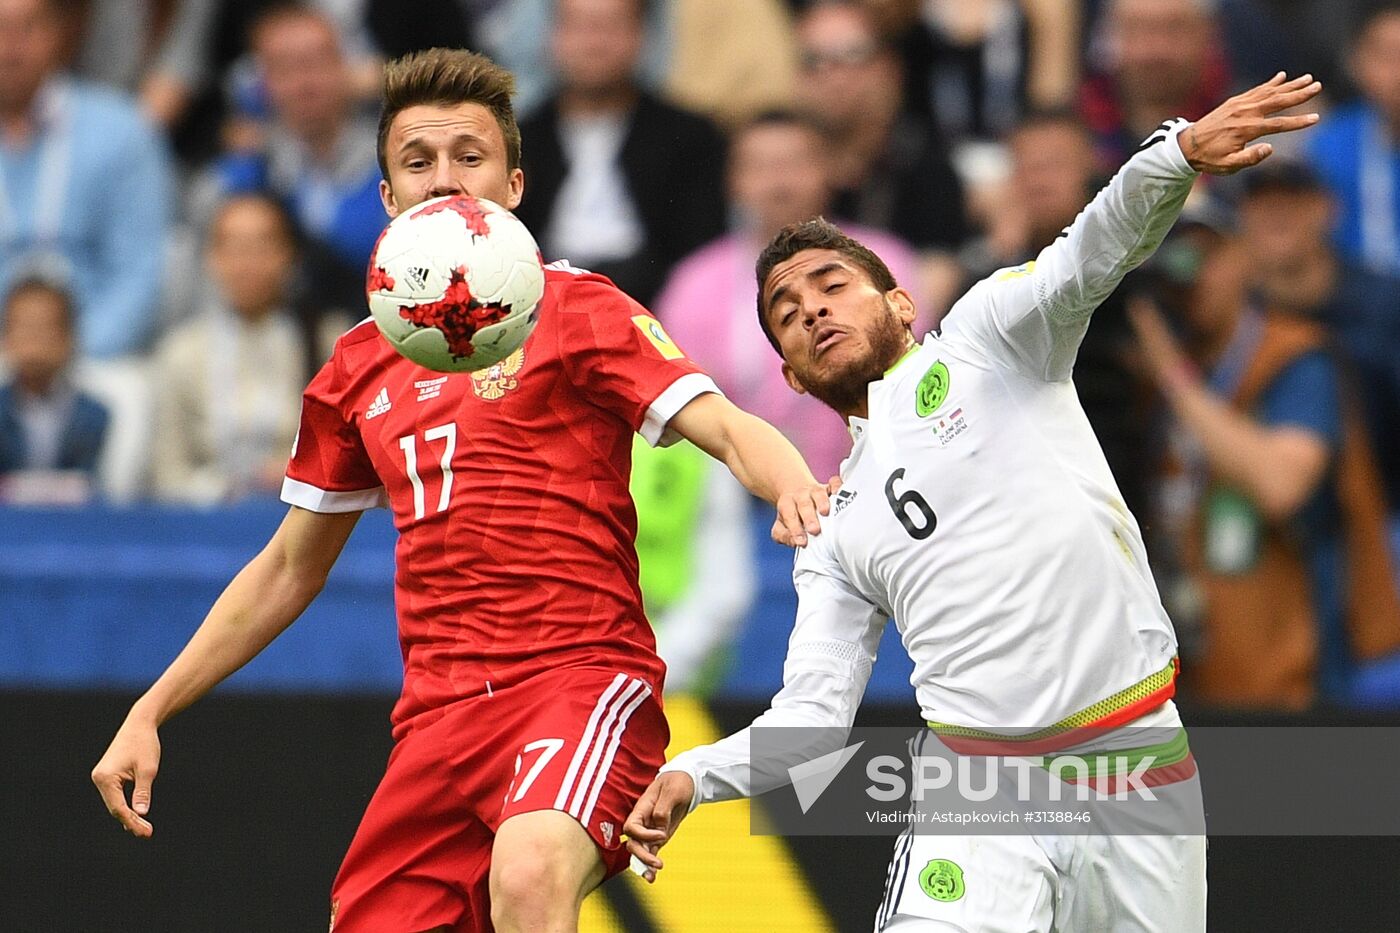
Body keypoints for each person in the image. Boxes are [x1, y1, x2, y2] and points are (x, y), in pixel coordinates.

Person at [91, 47, 830, 933]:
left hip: (579, 681)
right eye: (418, 161)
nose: (445, 180)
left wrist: (795, 484)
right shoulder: (356, 367)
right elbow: (289, 566)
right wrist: (153, 705)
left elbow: (725, 424)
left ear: (514, 185)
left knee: (527, 874)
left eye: (469, 157)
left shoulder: (578, 306)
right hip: (437, 720)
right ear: (388, 199)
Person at [624, 73, 1324, 932]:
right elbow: (810, 719)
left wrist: (1174, 155)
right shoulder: (832, 531)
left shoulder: (990, 343)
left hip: (1140, 767)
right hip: (982, 791)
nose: (810, 310)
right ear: (794, 375)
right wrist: (695, 774)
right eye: (787, 314)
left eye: (829, 284)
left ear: (900, 301)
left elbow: (1088, 250)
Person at [1132, 207, 1400, 710]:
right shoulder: (1162, 363)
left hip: (1297, 685)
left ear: (1245, 258)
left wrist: (1171, 376)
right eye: (1175, 257)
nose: (1191, 273)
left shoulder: (1296, 357)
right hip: (1193, 673)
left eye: (1208, 255)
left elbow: (1282, 484)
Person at [657, 110, 920, 480]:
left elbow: (906, 372)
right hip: (734, 498)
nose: (779, 181)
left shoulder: (885, 258)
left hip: (882, 472)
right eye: (760, 166)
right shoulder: (692, 282)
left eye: (794, 163)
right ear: (733, 181)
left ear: (829, 168)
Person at [513, 0, 728, 308]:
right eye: (581, 27)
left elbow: (702, 254)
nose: (594, 43)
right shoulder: (521, 138)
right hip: (539, 303)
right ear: (552, 36)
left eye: (610, 27)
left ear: (643, 35)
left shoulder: (690, 136)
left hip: (655, 305)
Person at [0, 0, 172, 359]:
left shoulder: (123, 132)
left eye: (26, 29)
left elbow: (140, 275)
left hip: (94, 364)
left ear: (60, 35)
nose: (9, 47)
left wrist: (66, 360)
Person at [150, 195, 309, 505]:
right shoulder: (181, 353)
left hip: (304, 517)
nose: (248, 262)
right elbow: (166, 475)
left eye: (263, 246)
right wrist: (228, 488)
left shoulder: (329, 343)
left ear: (289, 256)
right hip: (205, 523)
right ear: (212, 258)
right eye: (234, 247)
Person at [1079, 0, 1232, 173]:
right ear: (1107, 40)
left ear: (1208, 35)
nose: (1156, 50)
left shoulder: (1241, 122)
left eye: (1174, 30)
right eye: (1138, 30)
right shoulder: (1076, 127)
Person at [1305, 3, 1400, 275]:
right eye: (1387, 56)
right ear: (1356, 62)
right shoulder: (1326, 146)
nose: (1398, 72)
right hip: (1352, 299)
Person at [0, 275, 108, 498]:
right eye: (23, 328)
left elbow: (90, 488)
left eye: (45, 328)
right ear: (6, 337)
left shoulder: (93, 416)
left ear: (69, 337)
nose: (34, 340)